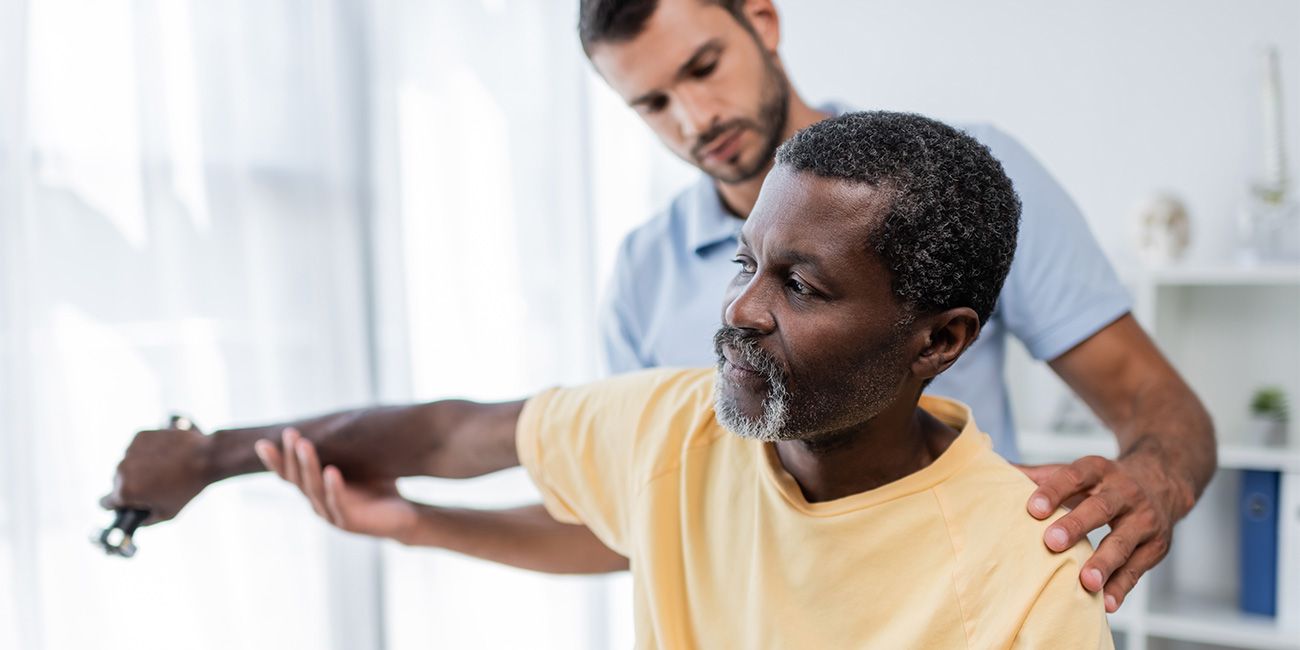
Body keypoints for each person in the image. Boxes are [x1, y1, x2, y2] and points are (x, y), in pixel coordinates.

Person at [104, 0, 1215, 614]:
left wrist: (1154, 481)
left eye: (704, 65)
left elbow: (1150, 403)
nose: (695, 116)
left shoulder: (964, 189)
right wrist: (409, 518)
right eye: (651, 102)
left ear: (763, 21)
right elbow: (627, 514)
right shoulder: (649, 293)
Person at [126, 111, 1118, 647]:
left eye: (801, 285)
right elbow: (449, 434)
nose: (740, 311)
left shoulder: (1027, 577)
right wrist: (210, 455)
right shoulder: (674, 424)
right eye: (745, 263)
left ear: (936, 342)